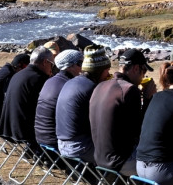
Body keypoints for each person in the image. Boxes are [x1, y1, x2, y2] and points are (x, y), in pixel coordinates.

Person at [90, 48, 157, 176]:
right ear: (136, 68)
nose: (144, 76)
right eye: (144, 71)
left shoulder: (100, 86)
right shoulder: (130, 90)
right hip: (121, 161)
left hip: (98, 158)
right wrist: (148, 99)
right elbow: (141, 131)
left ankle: (113, 180)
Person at [55, 45, 111, 163]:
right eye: (107, 69)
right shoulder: (91, 88)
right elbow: (103, 122)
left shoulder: (73, 82)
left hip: (62, 144)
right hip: (79, 148)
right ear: (99, 70)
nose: (109, 72)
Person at [0, 47, 55, 149]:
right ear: (45, 62)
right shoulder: (39, 79)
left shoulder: (18, 74)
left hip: (8, 127)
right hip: (24, 132)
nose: (52, 68)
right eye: (52, 64)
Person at [34, 49, 83, 148]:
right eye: (80, 63)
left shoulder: (51, 81)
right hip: (56, 141)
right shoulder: (69, 86)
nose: (82, 68)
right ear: (69, 66)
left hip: (40, 137)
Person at [0, 53, 29, 126]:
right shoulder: (8, 76)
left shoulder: (4, 71)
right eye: (26, 68)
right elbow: (11, 100)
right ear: (20, 65)